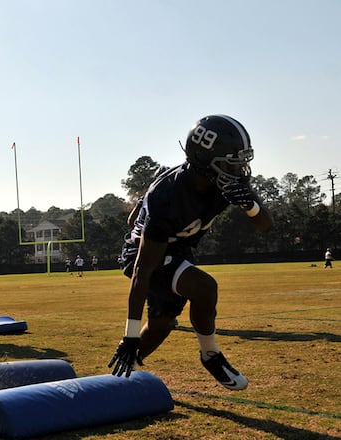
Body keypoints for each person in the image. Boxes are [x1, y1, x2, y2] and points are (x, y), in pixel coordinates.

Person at [108, 114, 273, 391]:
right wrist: (130, 334)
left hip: (178, 248)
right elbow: (143, 270)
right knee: (205, 288)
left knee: (161, 326)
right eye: (230, 163)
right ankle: (211, 355)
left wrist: (251, 206)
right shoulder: (168, 195)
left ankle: (117, 381)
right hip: (142, 253)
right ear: (205, 160)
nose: (239, 169)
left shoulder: (224, 182)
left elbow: (265, 225)